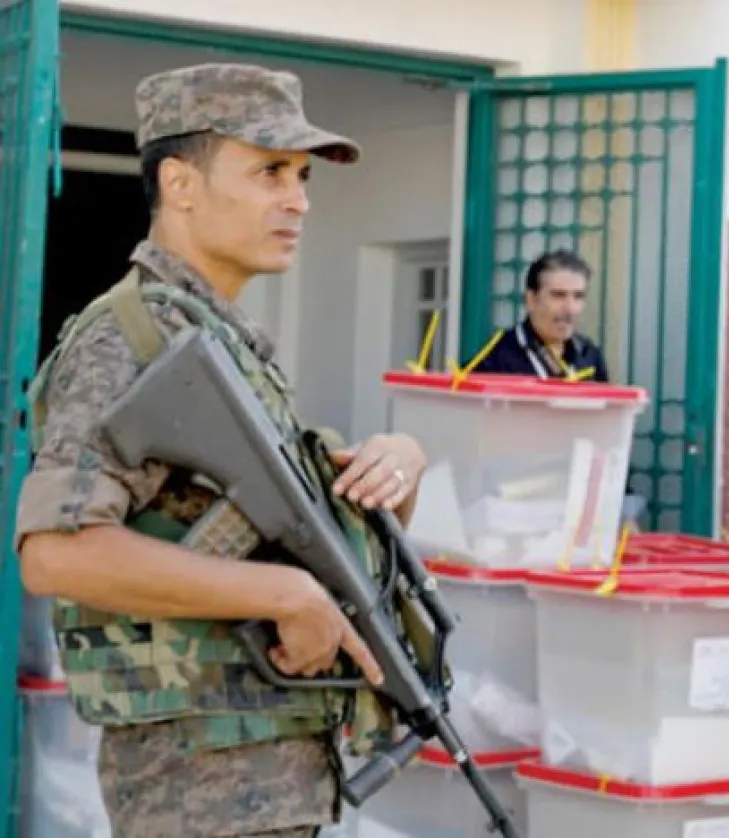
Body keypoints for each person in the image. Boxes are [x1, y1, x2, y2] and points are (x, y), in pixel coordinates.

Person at [15, 63, 430, 837]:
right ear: (180, 183)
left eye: (303, 176)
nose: (298, 199)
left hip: (262, 777)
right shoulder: (128, 339)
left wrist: (398, 463)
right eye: (269, 171)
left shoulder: (217, 342)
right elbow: (55, 555)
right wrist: (284, 598)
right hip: (196, 787)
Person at [473, 249, 611, 382]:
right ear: (531, 299)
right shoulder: (495, 359)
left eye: (578, 296)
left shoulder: (589, 355)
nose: (570, 308)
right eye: (558, 295)